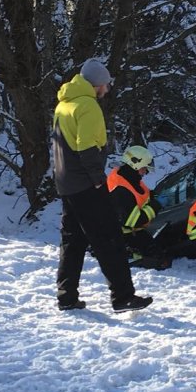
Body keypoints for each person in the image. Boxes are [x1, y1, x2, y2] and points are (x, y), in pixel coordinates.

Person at [52, 58, 153, 313]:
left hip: (66, 183)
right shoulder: (87, 106)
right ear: (97, 84)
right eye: (106, 85)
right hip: (86, 184)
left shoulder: (64, 104)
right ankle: (122, 296)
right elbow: (86, 146)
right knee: (109, 238)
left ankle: (66, 297)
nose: (107, 90)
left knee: (72, 241)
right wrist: (98, 180)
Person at [107, 145, 170, 269]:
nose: (145, 172)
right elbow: (134, 220)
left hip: (128, 231)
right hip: (119, 235)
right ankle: (135, 261)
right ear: (135, 165)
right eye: (144, 168)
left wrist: (153, 196)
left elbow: (140, 196)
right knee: (158, 260)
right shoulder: (121, 190)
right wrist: (156, 205)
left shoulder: (129, 178)